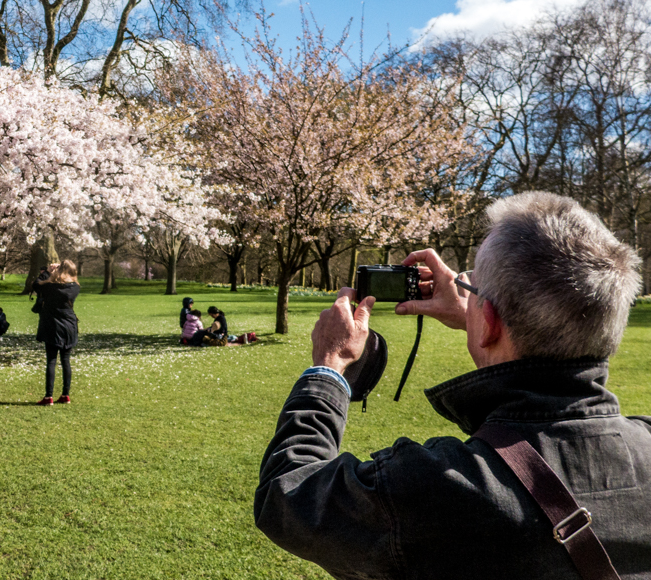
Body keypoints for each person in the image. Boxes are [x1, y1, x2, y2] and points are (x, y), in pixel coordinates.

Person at [254, 192, 651, 579]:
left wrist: (329, 364)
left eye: (472, 286)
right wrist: (485, 321)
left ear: (491, 320)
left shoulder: (435, 488)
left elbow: (288, 494)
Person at [33, 260, 80, 405]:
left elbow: (35, 285)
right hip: (69, 325)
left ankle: (48, 397)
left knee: (51, 360)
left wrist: (47, 272)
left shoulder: (50, 287)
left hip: (52, 325)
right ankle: (66, 394)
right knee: (66, 360)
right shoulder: (75, 287)